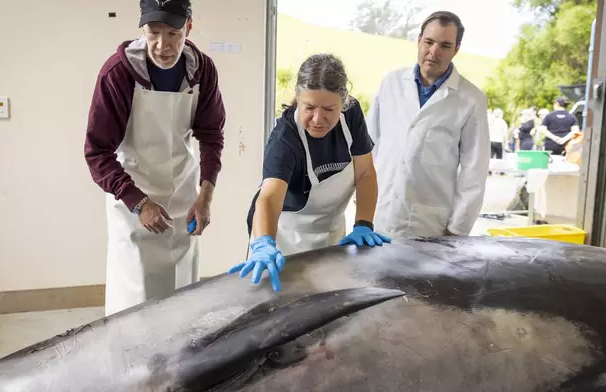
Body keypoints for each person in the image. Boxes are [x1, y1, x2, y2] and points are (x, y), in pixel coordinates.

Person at [84, 0, 226, 316]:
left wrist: (205, 197)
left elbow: (211, 137)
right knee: (136, 300)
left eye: (173, 33)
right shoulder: (118, 73)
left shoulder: (201, 70)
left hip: (182, 195)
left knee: (182, 296)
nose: (163, 46)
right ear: (143, 29)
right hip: (132, 196)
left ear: (188, 28)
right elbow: (97, 152)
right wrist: (139, 202)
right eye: (153, 32)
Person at [228, 54, 391, 291]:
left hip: (333, 233)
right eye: (310, 107)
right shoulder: (285, 140)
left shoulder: (352, 116)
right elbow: (269, 198)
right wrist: (264, 243)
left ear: (343, 103)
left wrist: (363, 223)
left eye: (329, 109)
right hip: (284, 240)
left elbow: (365, 172)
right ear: (297, 98)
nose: (318, 119)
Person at [365, 11, 490, 238]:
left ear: (456, 49)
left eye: (444, 45)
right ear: (419, 40)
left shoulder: (471, 99)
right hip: (379, 214)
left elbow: (474, 172)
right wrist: (362, 204)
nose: (434, 52)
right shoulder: (390, 83)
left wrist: (457, 230)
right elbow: (368, 146)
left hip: (430, 226)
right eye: (429, 42)